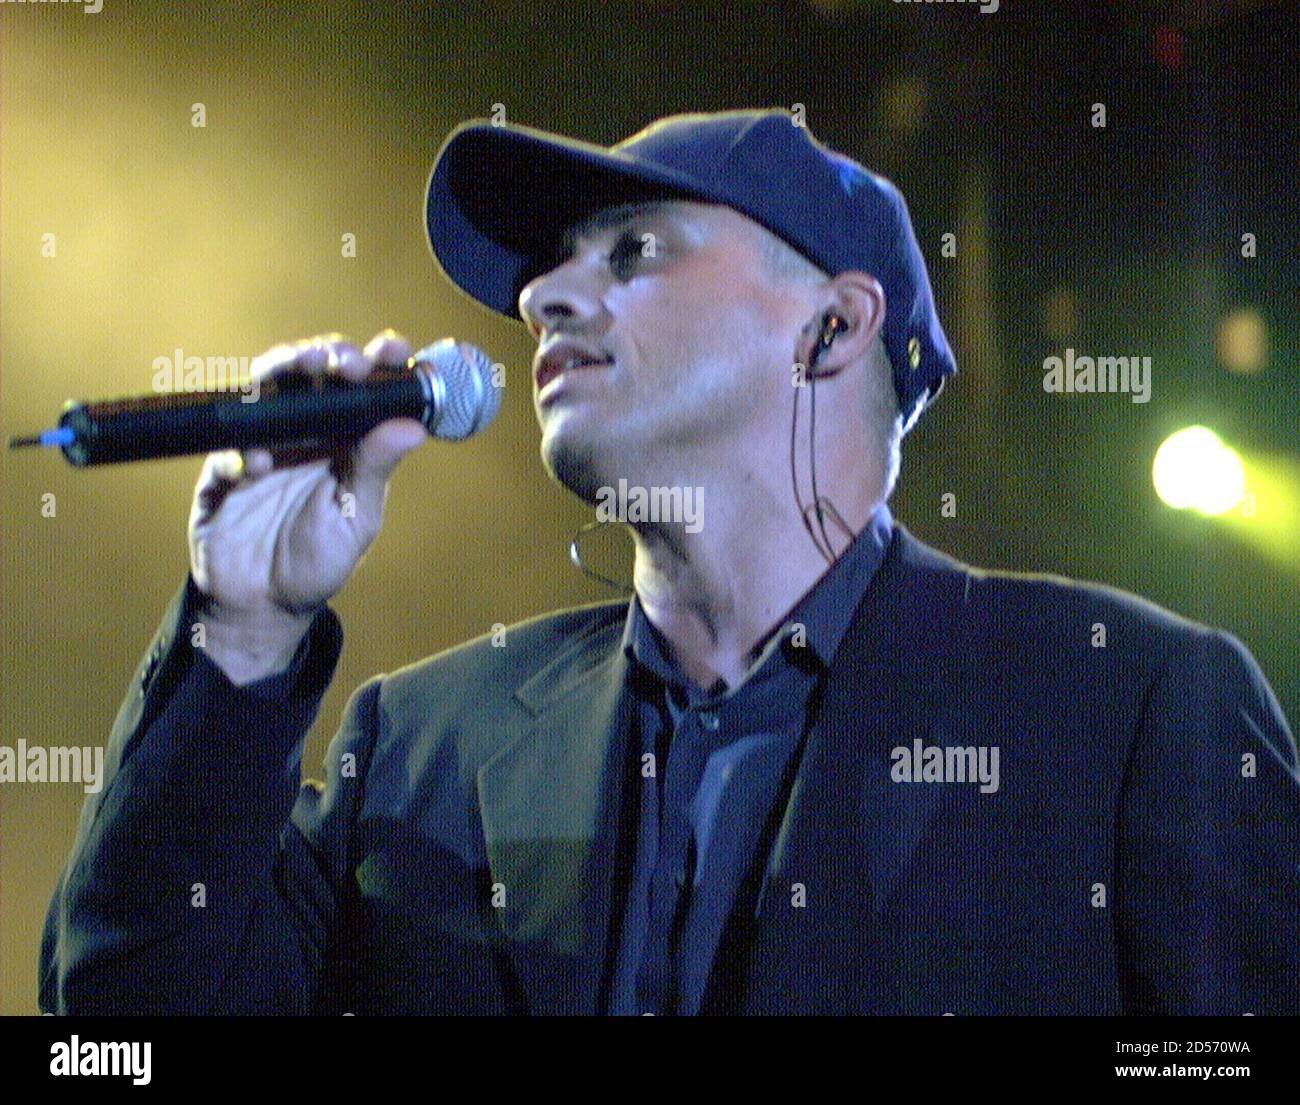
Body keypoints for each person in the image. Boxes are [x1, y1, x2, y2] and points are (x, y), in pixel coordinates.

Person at [39, 110, 1300, 1016]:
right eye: (544, 272)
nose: (542, 299)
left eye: (630, 251)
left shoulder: (1126, 707)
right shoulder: (420, 748)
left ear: (833, 322)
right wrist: (245, 625)